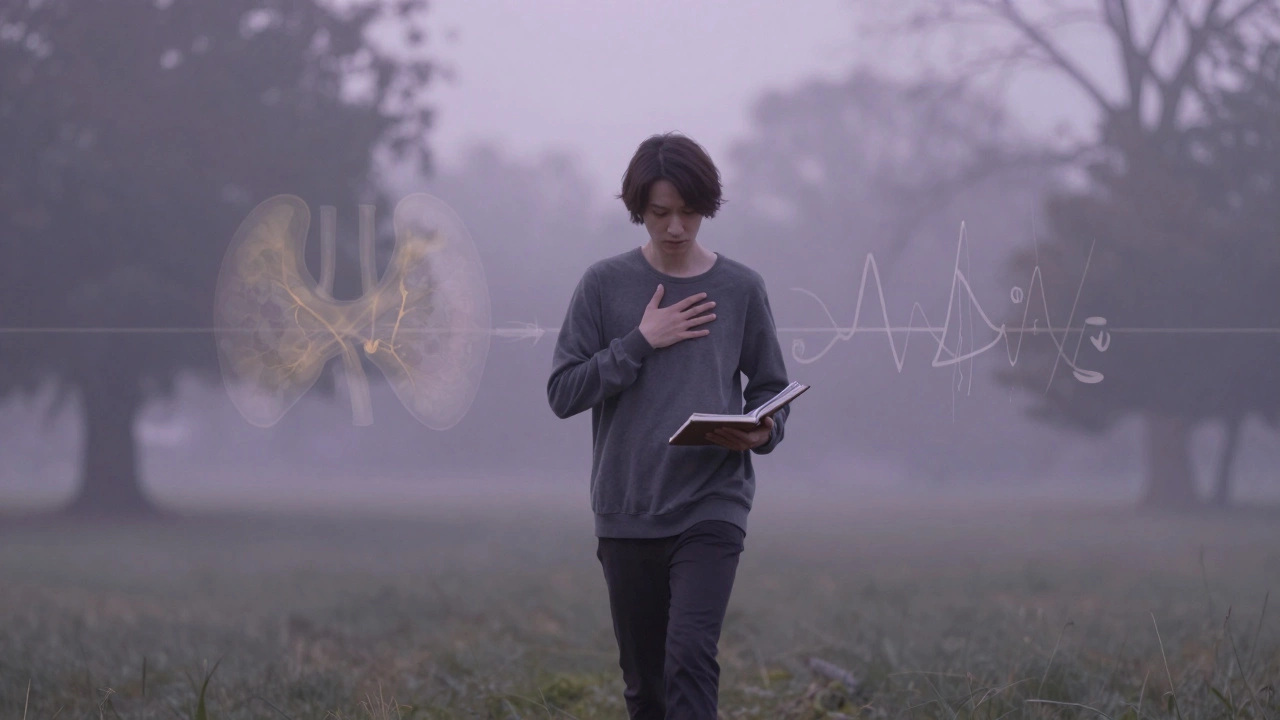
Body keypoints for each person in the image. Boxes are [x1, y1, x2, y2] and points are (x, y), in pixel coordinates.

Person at [546, 132, 792, 719]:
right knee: (647, 687)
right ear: (639, 209)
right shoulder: (603, 285)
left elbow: (771, 389)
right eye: (661, 213)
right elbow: (562, 393)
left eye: (689, 211)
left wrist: (764, 430)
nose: (676, 227)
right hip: (626, 508)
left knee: (689, 658)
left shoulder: (741, 288)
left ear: (707, 207)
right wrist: (639, 341)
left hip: (712, 502)